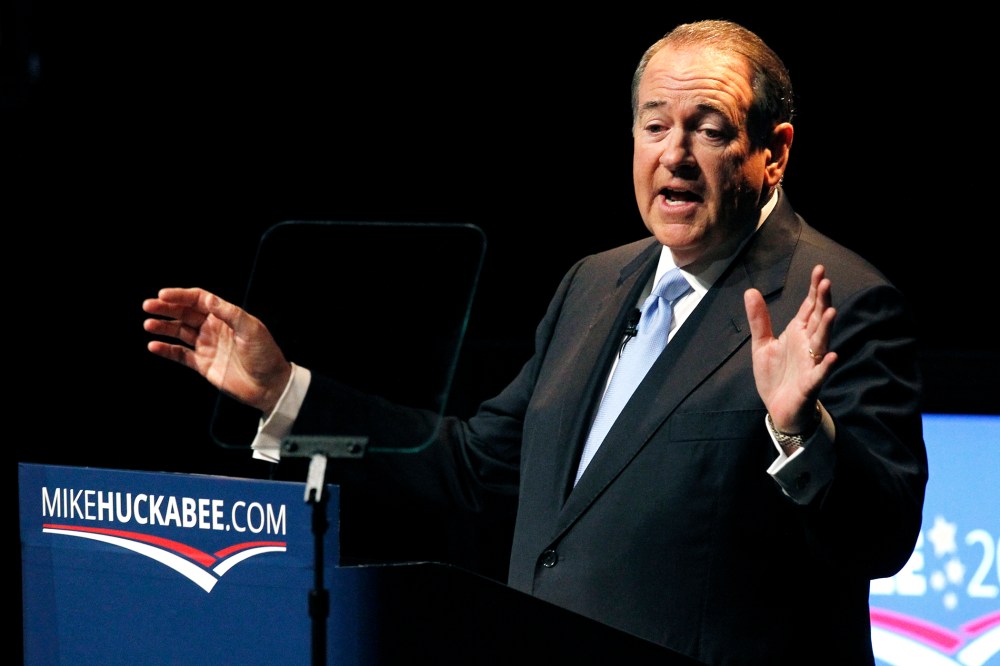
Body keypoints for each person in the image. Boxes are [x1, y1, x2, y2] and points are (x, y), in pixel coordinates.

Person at [142, 20, 927, 666]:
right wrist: (287, 393)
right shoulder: (595, 284)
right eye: (655, 125)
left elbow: (883, 537)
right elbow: (469, 469)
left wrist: (800, 433)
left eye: (709, 129)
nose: (675, 154)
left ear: (775, 151)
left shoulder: (841, 300)